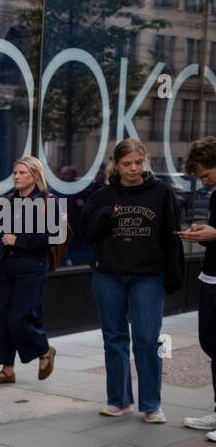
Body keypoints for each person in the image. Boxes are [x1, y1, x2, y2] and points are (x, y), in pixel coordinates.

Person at [79, 138, 185, 422]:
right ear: (116, 165)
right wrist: (105, 215)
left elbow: (172, 237)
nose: (134, 168)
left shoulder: (161, 193)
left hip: (148, 276)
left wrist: (174, 276)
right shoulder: (102, 196)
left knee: (147, 339)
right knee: (114, 338)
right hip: (108, 275)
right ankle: (119, 400)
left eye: (138, 162)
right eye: (127, 164)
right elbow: (86, 234)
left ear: (145, 160)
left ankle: (151, 405)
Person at [0, 156, 58, 384]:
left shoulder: (47, 202)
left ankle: (44, 350)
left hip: (31, 267)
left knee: (19, 318)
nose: (16, 176)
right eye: (15, 173)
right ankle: (7, 370)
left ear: (35, 176)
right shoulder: (7, 202)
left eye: (22, 173)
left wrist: (19, 240)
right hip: (2, 268)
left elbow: (50, 238)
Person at [180, 136, 216, 443]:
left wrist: (213, 232)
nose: (203, 182)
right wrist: (203, 235)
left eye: (205, 175)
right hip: (210, 275)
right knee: (211, 345)